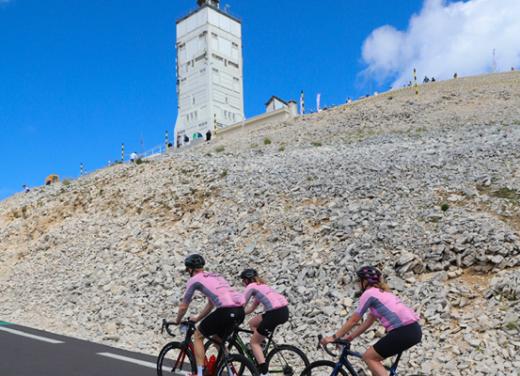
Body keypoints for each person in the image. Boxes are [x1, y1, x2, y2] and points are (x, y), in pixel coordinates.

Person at [320, 266, 421, 376]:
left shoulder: (369, 294)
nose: (358, 284)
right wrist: (348, 338)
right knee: (374, 366)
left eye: (359, 280)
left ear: (365, 281)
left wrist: (333, 337)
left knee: (369, 357)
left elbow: (353, 320)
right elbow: (367, 323)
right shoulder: (382, 293)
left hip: (403, 331)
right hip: (413, 330)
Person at [174, 254, 245, 376]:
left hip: (226, 311)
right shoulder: (214, 276)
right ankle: (231, 371)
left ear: (191, 269)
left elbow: (183, 306)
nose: (187, 272)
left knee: (198, 335)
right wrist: (197, 318)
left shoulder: (194, 280)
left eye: (187, 269)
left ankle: (200, 373)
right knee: (218, 339)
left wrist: (177, 320)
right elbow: (211, 304)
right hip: (239, 311)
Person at [241, 269, 289, 376]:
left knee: (254, 343)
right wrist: (242, 314)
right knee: (252, 323)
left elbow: (242, 304)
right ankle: (261, 347)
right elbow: (252, 307)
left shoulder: (251, 286)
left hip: (275, 313)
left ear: (246, 280)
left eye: (243, 281)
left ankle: (264, 373)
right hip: (282, 311)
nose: (243, 284)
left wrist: (234, 315)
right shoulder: (262, 286)